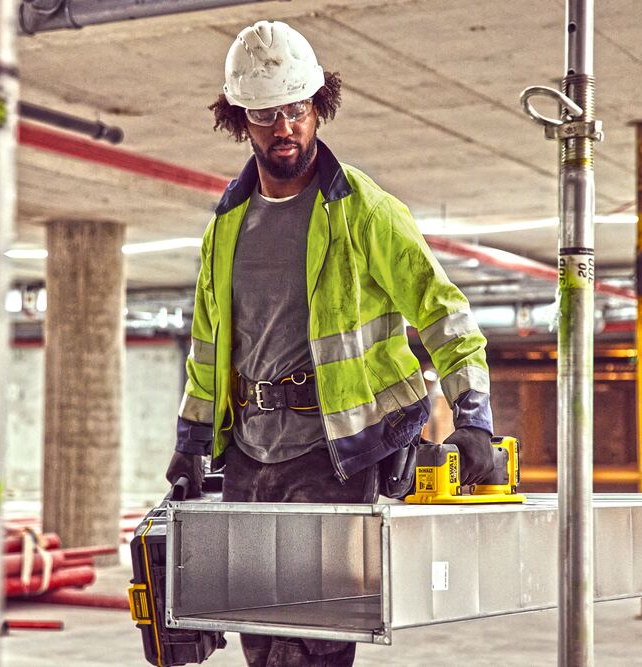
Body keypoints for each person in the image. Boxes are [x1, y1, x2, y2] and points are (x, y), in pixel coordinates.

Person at [165, 20, 496, 667]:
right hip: (250, 456)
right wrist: (189, 442)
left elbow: (444, 314)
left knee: (316, 639)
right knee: (258, 634)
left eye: (297, 109)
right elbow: (208, 350)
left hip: (338, 450)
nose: (284, 127)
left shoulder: (363, 210)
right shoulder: (225, 227)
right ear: (241, 119)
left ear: (319, 106)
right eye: (266, 114)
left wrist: (475, 417)